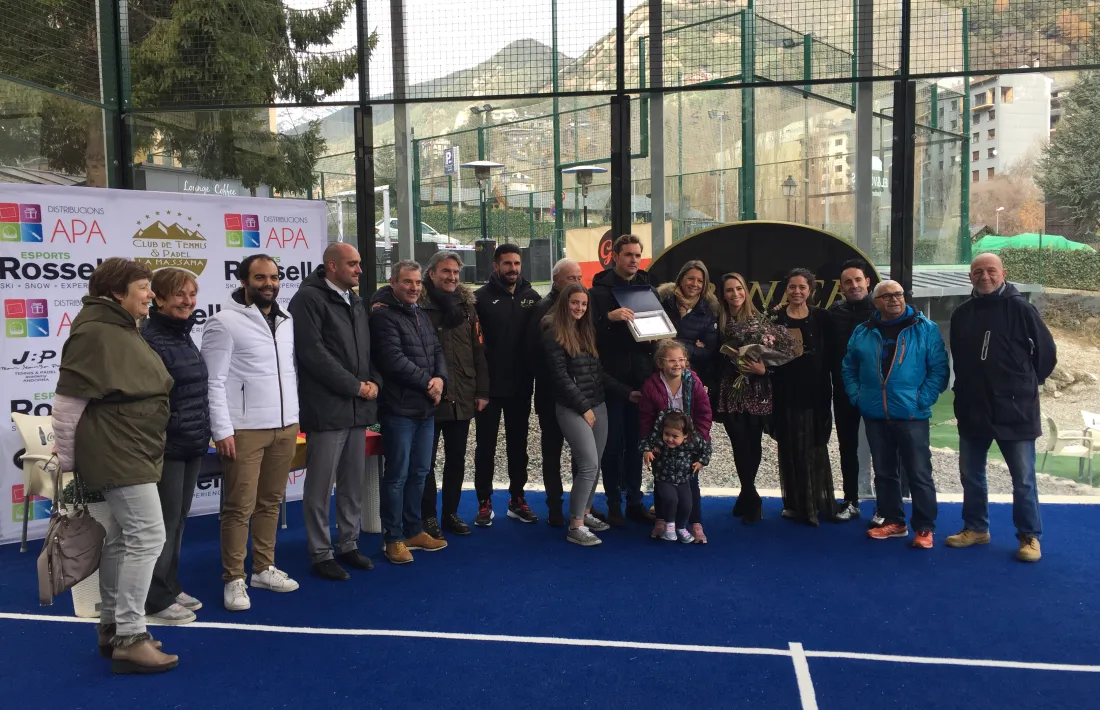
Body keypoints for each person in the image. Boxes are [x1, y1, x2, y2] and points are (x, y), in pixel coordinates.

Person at [52, 257, 177, 672]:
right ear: (116, 293)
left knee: (125, 539)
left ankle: (112, 628)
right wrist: (68, 463)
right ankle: (130, 635)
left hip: (132, 446)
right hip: (118, 449)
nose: (150, 295)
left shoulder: (120, 329)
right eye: (143, 287)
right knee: (147, 536)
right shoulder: (95, 333)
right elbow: (68, 405)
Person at [204, 254, 301, 612]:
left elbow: (288, 373)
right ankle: (234, 578)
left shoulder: (287, 320)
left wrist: (293, 416)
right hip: (243, 430)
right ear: (244, 281)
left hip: (285, 426)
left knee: (271, 502)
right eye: (260, 278)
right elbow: (213, 381)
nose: (269, 284)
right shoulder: (223, 323)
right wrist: (221, 430)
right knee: (238, 507)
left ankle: (263, 567)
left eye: (274, 277)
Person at [946, 253, 1056, 562]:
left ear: (1002, 273)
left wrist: (1023, 384)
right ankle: (976, 528)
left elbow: (1046, 354)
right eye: (978, 271)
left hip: (1015, 409)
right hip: (973, 407)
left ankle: (1029, 536)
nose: (985, 276)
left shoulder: (1021, 308)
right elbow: (962, 359)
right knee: (971, 474)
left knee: (1022, 478)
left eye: (990, 271)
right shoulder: (962, 313)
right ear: (970, 277)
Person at [288, 243, 380, 582]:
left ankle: (348, 543)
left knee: (353, 482)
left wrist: (373, 383)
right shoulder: (307, 300)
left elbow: (367, 352)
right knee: (319, 485)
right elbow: (313, 354)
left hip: (357, 408)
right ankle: (320, 552)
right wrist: (355, 386)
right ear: (331, 266)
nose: (359, 270)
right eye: (352, 264)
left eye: (359, 263)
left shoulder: (355, 301)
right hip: (327, 408)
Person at [843, 280, 949, 549]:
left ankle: (924, 527)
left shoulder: (925, 329)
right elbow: (849, 367)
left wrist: (921, 400)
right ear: (875, 302)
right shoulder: (863, 331)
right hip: (875, 414)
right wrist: (857, 396)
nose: (894, 300)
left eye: (898, 294)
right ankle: (894, 522)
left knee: (919, 473)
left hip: (912, 414)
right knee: (884, 471)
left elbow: (939, 370)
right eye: (886, 296)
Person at [141, 268, 209, 626]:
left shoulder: (182, 335)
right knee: (162, 525)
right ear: (159, 299)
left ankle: (169, 584)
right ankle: (154, 600)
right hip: (165, 447)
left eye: (192, 294)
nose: (188, 301)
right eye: (180, 295)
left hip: (191, 442)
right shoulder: (150, 338)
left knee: (178, 521)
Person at [370, 259, 450, 564]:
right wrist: (427, 382)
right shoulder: (383, 316)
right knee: (398, 476)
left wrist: (441, 379)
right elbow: (392, 359)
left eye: (417, 283)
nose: (414, 288)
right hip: (398, 409)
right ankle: (393, 538)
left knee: (420, 473)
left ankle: (414, 530)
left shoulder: (419, 313)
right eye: (407, 282)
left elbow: (437, 350)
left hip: (425, 409)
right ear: (393, 282)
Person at [543, 283, 628, 546]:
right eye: (574, 303)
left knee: (595, 462)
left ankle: (586, 512)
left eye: (583, 304)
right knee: (588, 464)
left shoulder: (585, 331)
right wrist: (584, 408)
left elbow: (596, 372)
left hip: (598, 404)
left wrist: (626, 392)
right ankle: (575, 526)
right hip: (573, 408)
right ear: (564, 303)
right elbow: (560, 378)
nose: (579, 308)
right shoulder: (552, 332)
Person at [419, 250, 489, 538]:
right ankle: (427, 518)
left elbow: (478, 350)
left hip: (463, 395)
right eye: (446, 271)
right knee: (426, 463)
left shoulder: (467, 306)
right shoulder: (419, 306)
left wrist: (482, 390)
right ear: (432, 273)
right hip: (430, 397)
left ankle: (450, 513)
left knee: (457, 459)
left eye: (456, 273)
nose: (452, 277)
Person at [473, 244, 542, 526]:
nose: (512, 269)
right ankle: (483, 501)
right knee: (485, 446)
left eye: (516, 263)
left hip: (520, 387)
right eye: (506, 264)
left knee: (518, 445)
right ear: (495, 266)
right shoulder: (479, 299)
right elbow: (474, 347)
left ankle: (517, 499)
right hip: (489, 389)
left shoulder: (532, 297)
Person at [715, 272, 792, 524]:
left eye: (738, 289)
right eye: (729, 290)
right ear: (723, 295)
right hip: (731, 389)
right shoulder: (719, 320)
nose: (734, 294)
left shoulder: (761, 320)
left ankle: (748, 496)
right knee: (738, 442)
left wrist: (764, 370)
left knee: (753, 441)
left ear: (746, 291)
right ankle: (750, 495)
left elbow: (778, 357)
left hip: (758, 388)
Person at [589, 234, 652, 525]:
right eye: (628, 255)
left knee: (637, 445)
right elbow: (588, 338)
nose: (634, 260)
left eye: (638, 255)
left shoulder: (647, 287)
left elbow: (656, 334)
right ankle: (613, 501)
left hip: (641, 381)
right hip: (611, 383)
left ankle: (635, 501)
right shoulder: (598, 293)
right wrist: (608, 319)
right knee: (612, 446)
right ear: (614, 256)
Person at [771, 268, 839, 525]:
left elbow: (832, 356)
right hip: (786, 394)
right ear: (785, 290)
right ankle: (795, 505)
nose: (797, 291)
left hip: (817, 393)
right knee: (790, 449)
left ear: (810, 290)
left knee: (815, 448)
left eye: (802, 287)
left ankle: (818, 503)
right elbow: (771, 358)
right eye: (792, 287)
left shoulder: (823, 317)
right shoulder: (776, 318)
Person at [526, 257, 585, 526]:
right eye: (571, 278)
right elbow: (535, 355)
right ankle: (553, 506)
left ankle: (580, 507)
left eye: (579, 278)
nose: (576, 283)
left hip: (579, 396)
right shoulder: (542, 310)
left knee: (581, 453)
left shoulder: (582, 309)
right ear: (556, 280)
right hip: (551, 395)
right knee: (552, 452)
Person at [638, 339, 712, 543]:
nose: (677, 364)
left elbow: (704, 413)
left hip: (688, 442)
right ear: (661, 362)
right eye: (671, 360)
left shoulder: (694, 382)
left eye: (681, 360)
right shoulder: (651, 385)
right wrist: (648, 446)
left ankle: (695, 522)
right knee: (662, 482)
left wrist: (698, 440)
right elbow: (646, 418)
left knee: (691, 483)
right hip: (663, 442)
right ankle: (662, 519)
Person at [828, 259, 877, 521]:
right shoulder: (835, 312)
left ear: (867, 282)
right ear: (841, 287)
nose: (854, 285)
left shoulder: (881, 311)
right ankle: (851, 501)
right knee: (847, 447)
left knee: (881, 447)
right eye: (848, 282)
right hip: (844, 391)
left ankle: (886, 505)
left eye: (858, 280)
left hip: (875, 393)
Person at [640, 410, 712, 543]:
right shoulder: (658, 439)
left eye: (675, 436)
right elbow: (645, 442)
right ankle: (670, 525)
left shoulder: (693, 441)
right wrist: (647, 452)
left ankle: (680, 527)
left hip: (684, 479)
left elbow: (706, 448)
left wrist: (701, 462)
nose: (670, 439)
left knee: (687, 504)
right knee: (670, 499)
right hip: (664, 477)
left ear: (685, 435)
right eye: (667, 434)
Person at [657, 260, 720, 406]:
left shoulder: (709, 311)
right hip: (661, 379)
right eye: (690, 278)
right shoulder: (663, 302)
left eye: (700, 281)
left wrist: (673, 342)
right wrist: (693, 345)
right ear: (681, 278)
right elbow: (655, 340)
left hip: (692, 380)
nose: (694, 284)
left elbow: (708, 352)